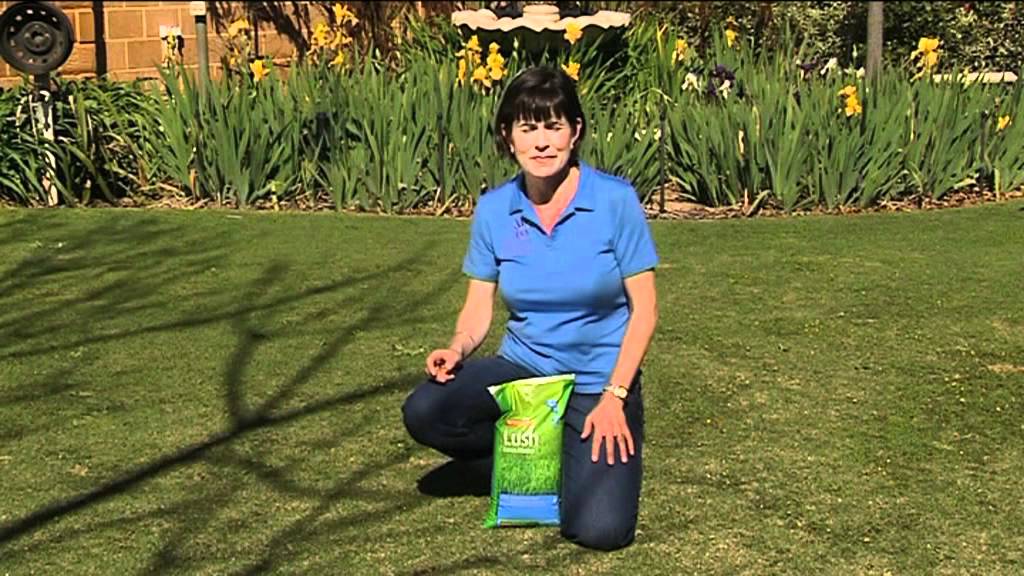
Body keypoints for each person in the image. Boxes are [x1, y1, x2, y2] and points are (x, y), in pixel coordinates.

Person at [401, 65, 659, 551]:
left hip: (598, 382)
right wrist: (457, 348)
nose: (541, 142)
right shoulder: (494, 210)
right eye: (527, 128)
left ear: (574, 132)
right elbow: (478, 306)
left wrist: (615, 397)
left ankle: (560, 454)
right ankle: (531, 453)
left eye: (553, 127)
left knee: (600, 530)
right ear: (508, 136)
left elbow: (644, 310)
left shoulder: (614, 201)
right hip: (525, 371)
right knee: (427, 410)